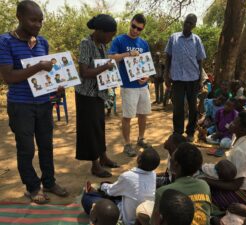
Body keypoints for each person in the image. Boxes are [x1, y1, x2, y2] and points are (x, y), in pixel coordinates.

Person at [0, 0, 67, 204]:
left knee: (46, 145)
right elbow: (9, 77)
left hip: (43, 103)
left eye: (41, 21)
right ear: (19, 17)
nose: (38, 24)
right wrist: (39, 66)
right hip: (21, 105)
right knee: (26, 148)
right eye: (33, 20)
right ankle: (32, 187)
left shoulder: (42, 42)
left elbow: (45, 75)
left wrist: (56, 84)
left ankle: (49, 181)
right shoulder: (4, 42)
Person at [75, 14, 118, 178]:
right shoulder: (86, 43)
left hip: (98, 93)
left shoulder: (101, 45)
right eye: (110, 35)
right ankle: (95, 165)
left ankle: (103, 156)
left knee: (99, 126)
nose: (110, 38)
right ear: (100, 31)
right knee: (90, 130)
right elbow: (84, 72)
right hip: (86, 94)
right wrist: (106, 67)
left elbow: (102, 67)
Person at [108, 14, 152, 157]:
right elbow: (110, 57)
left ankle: (141, 138)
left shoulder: (144, 44)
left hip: (142, 86)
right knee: (127, 116)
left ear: (142, 29)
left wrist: (147, 77)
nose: (135, 30)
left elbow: (148, 65)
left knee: (143, 114)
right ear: (130, 23)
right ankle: (127, 144)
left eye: (139, 29)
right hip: (128, 86)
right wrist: (127, 54)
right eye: (133, 26)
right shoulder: (119, 40)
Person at [204, 112, 246, 210]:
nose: (231, 123)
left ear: (243, 129)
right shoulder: (242, 137)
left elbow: (235, 185)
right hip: (238, 187)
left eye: (234, 122)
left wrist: (206, 180)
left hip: (243, 194)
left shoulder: (242, 151)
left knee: (204, 198)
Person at [164, 13, 206, 142]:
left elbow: (200, 61)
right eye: (186, 22)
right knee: (178, 107)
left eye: (190, 23)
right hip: (177, 79)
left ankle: (190, 132)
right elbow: (168, 57)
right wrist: (166, 74)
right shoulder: (174, 38)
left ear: (194, 25)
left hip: (193, 79)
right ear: (184, 22)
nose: (187, 25)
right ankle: (177, 132)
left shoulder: (197, 40)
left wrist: (200, 79)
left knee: (193, 108)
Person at [147, 143, 212, 225]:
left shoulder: (163, 192)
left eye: (172, 158)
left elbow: (154, 223)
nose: (170, 159)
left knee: (142, 209)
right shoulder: (204, 186)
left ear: (176, 164)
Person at [100, 147, 160, 225]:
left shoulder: (127, 177)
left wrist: (102, 185)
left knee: (90, 198)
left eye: (140, 155)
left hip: (128, 222)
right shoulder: (153, 175)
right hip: (144, 217)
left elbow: (110, 192)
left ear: (139, 160)